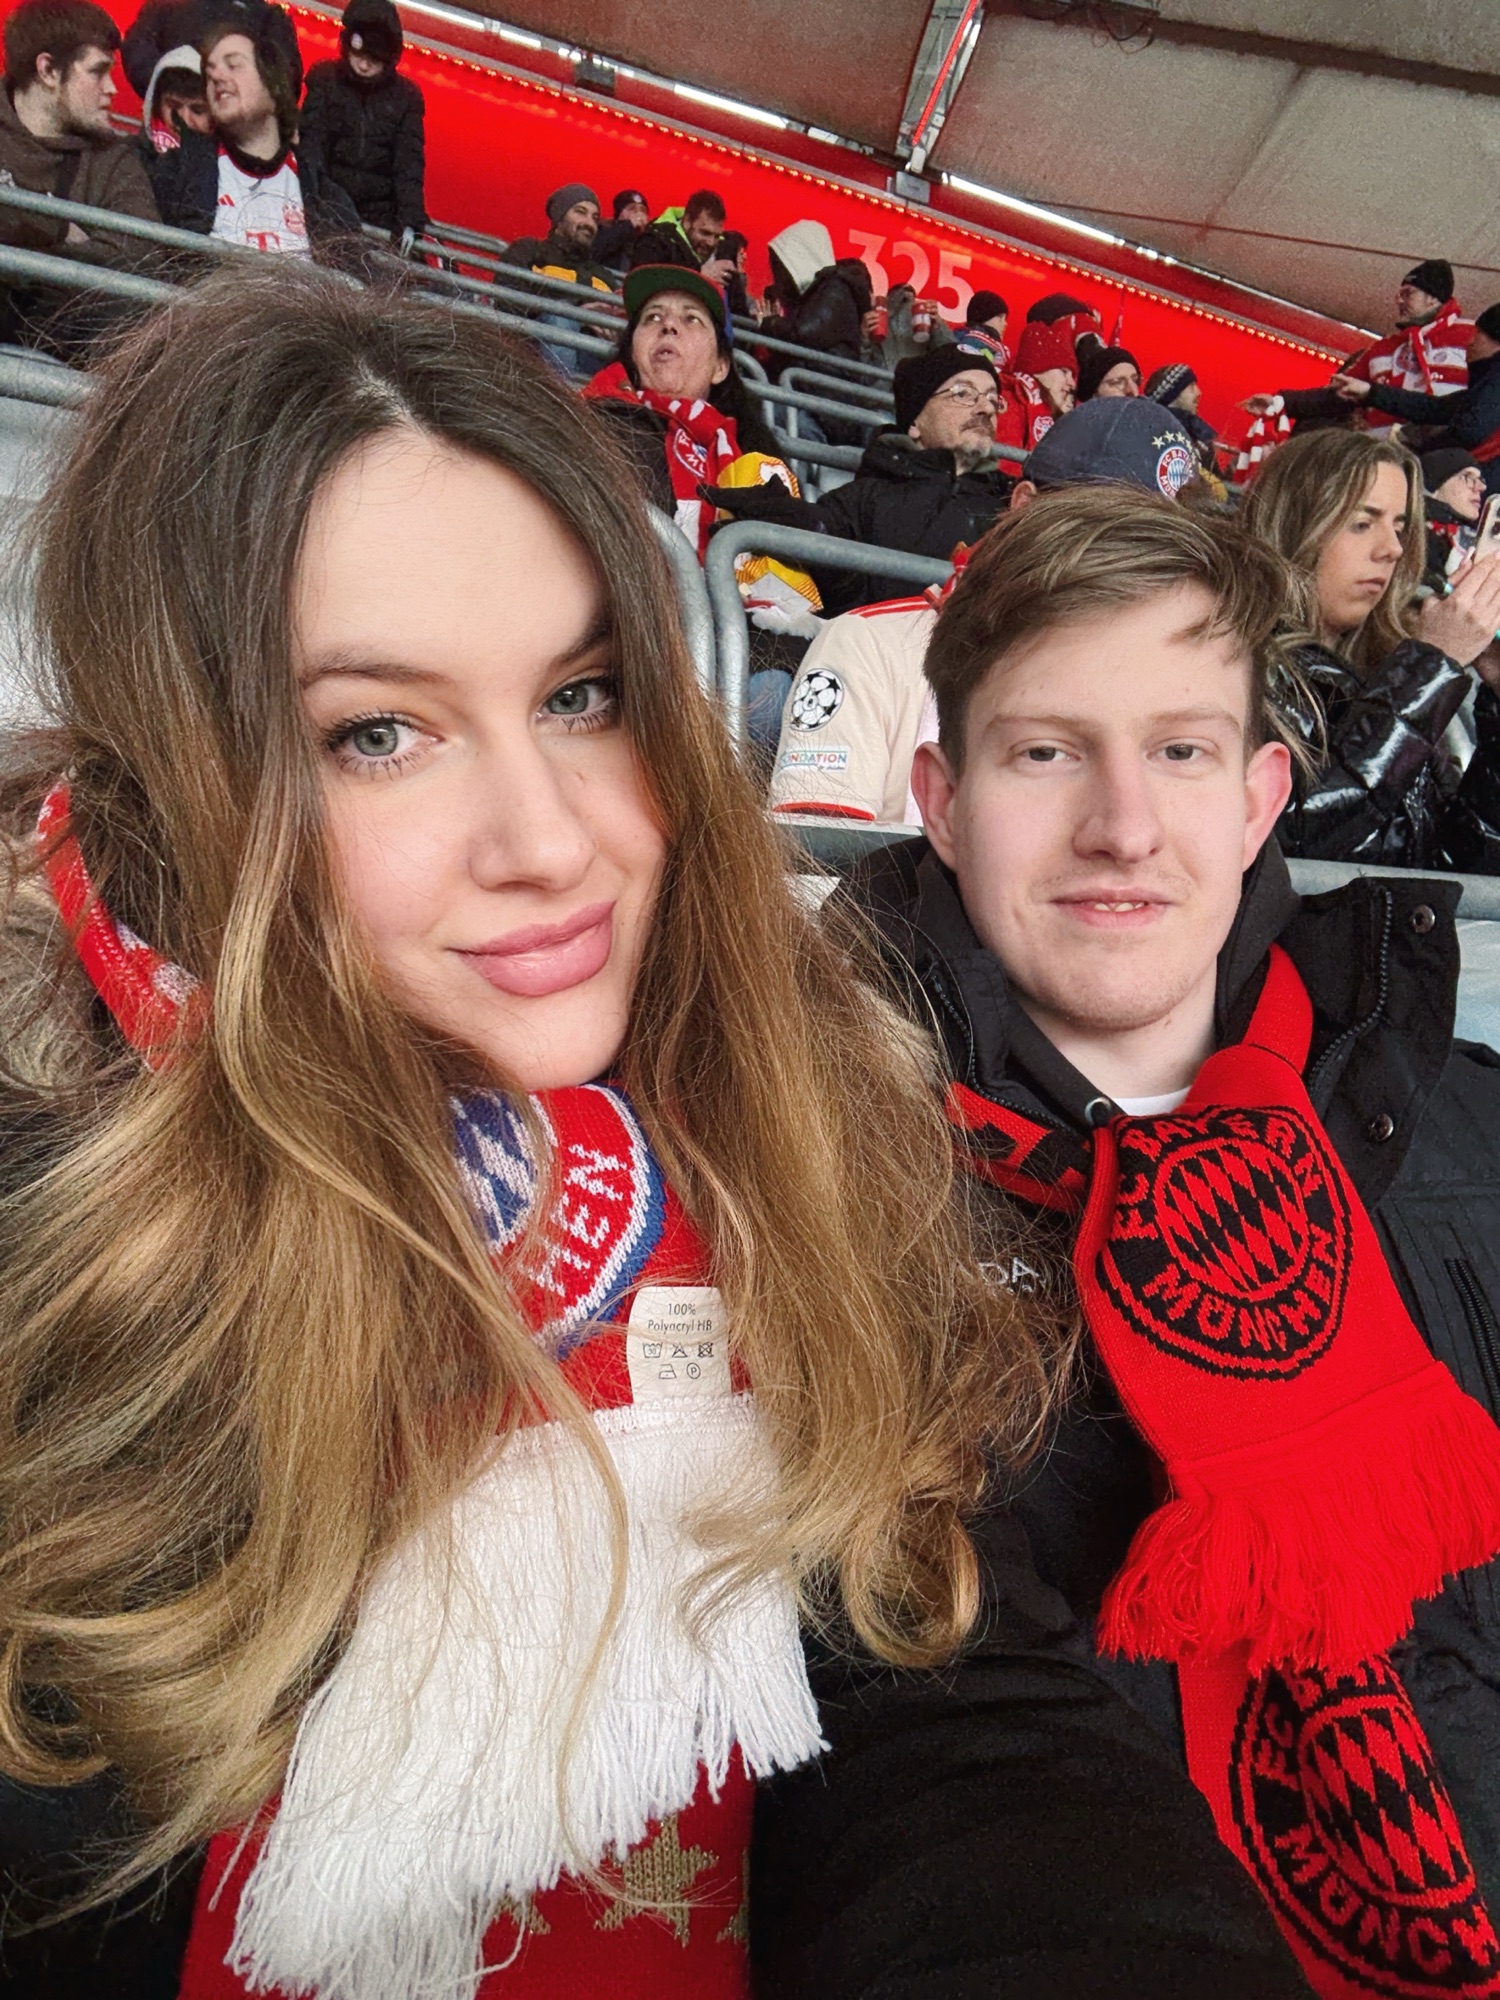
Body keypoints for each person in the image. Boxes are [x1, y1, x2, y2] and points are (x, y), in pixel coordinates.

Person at [0, 262, 1035, 1995]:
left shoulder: (806, 1098)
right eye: (378, 734)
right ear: (181, 785)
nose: (549, 843)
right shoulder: (56, 1222)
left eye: (581, 696)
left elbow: (966, 1711)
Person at [754, 484, 1500, 2000]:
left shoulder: (1462, 1118)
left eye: (1181, 751)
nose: (1124, 827)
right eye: (1046, 752)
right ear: (940, 799)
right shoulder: (800, 1180)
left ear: (1261, 797)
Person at [766, 396, 1203, 825]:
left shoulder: (1185, 686)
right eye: (1108, 534)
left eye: (1162, 548)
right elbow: (820, 858)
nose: (1134, 567)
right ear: (1025, 508)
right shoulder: (868, 648)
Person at [1241, 426, 1500, 870]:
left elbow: (1461, 860)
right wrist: (1430, 669)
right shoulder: (1238, 666)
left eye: (1399, 528)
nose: (1393, 549)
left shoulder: (1386, 669)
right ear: (1295, 526)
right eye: (1362, 524)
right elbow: (1298, 840)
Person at [583, 263, 821, 656]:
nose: (668, 326)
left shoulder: (752, 459)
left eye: (690, 318)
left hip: (732, 647)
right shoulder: (590, 421)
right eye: (652, 317)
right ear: (633, 354)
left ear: (720, 367)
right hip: (620, 629)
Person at [704, 345, 1013, 612]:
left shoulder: (1014, 503)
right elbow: (842, 596)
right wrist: (804, 527)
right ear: (915, 422)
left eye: (992, 398)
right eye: (963, 393)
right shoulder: (867, 496)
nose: (985, 408)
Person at [148, 12, 360, 255]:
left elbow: (353, 270)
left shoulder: (326, 197)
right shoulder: (177, 171)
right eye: (210, 71)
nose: (216, 76)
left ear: (273, 86)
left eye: (233, 65)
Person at [0, 0, 160, 254]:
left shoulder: (114, 159)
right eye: (98, 71)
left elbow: (140, 253)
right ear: (48, 70)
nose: (112, 88)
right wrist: (58, 230)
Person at [1332, 303, 1500, 495]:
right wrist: (1370, 392)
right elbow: (1435, 407)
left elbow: (1469, 430)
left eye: (1478, 335)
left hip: (1482, 483)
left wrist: (1418, 450)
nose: (1470, 342)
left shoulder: (1496, 379)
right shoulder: (1484, 387)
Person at [299, 0, 425, 248]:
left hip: (379, 221)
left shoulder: (406, 99)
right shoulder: (325, 81)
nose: (364, 65)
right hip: (326, 210)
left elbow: (408, 167)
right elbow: (311, 148)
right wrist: (312, 200)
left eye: (374, 59)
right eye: (359, 54)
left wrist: (410, 220)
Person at [758, 216, 876, 418]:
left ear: (800, 256)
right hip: (813, 395)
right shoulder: (815, 294)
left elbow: (805, 332)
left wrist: (769, 323)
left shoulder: (835, 288)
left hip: (823, 404)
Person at [121, 0, 302, 99]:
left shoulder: (269, 17)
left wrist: (227, 98)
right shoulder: (167, 6)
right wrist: (176, 87)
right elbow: (137, 51)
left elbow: (284, 78)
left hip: (233, 138)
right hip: (169, 128)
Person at [630, 188, 736, 292]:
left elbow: (737, 300)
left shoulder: (726, 251)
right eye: (705, 233)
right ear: (687, 221)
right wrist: (698, 276)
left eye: (717, 236)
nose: (711, 242)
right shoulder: (654, 240)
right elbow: (641, 284)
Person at [1419, 444, 1485, 582]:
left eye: (1480, 479)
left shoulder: (1474, 536)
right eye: (1467, 477)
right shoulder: (1419, 538)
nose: (1481, 487)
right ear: (1434, 487)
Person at [139, 41, 210, 152]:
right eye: (174, 106)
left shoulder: (231, 161)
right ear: (156, 105)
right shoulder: (128, 157)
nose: (185, 120)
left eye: (198, 110)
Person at [592, 185, 648, 274]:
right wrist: (628, 226)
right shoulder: (603, 231)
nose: (638, 213)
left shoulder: (649, 240)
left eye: (643, 210)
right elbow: (595, 251)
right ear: (619, 214)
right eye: (632, 208)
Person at [954, 287, 1008, 368]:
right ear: (984, 316)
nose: (1005, 324)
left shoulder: (956, 338)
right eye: (1000, 317)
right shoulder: (979, 345)